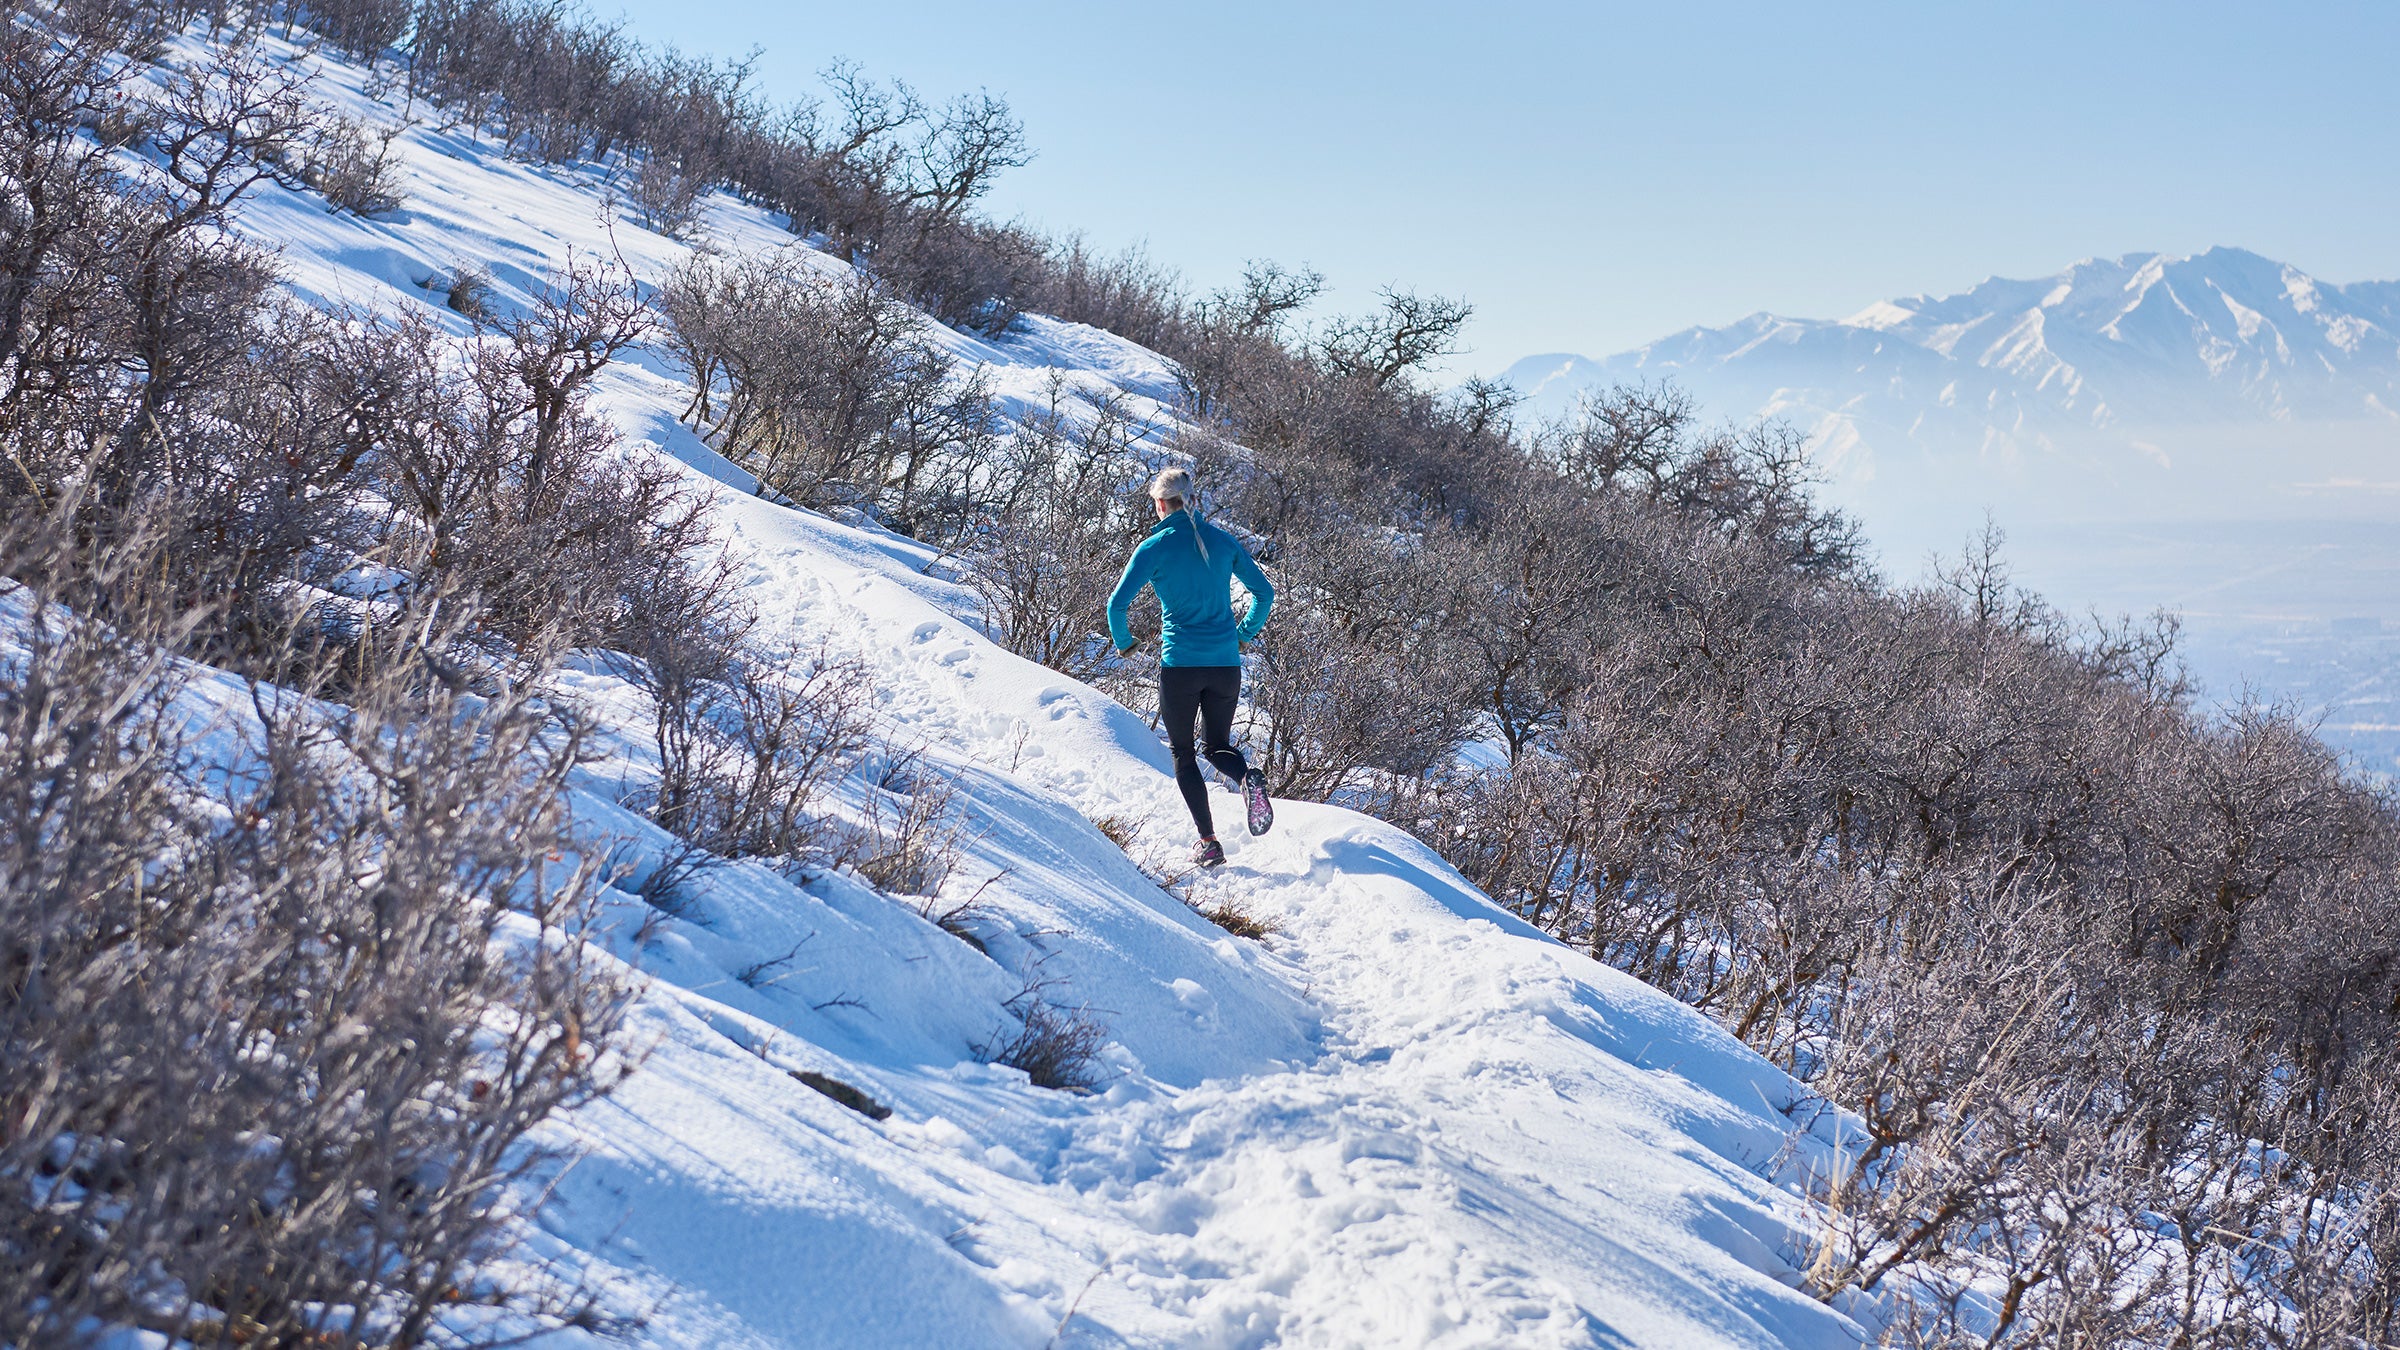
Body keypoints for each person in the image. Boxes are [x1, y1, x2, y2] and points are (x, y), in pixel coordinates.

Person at [1107, 467, 1275, 867]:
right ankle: (1247, 779)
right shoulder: (1221, 541)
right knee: (1217, 746)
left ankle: (1209, 842)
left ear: (1161, 504)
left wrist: (1126, 645)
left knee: (1184, 754)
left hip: (1180, 664)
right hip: (1225, 664)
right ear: (1192, 499)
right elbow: (1264, 593)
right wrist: (1244, 634)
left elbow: (1116, 606)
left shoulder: (1154, 547)